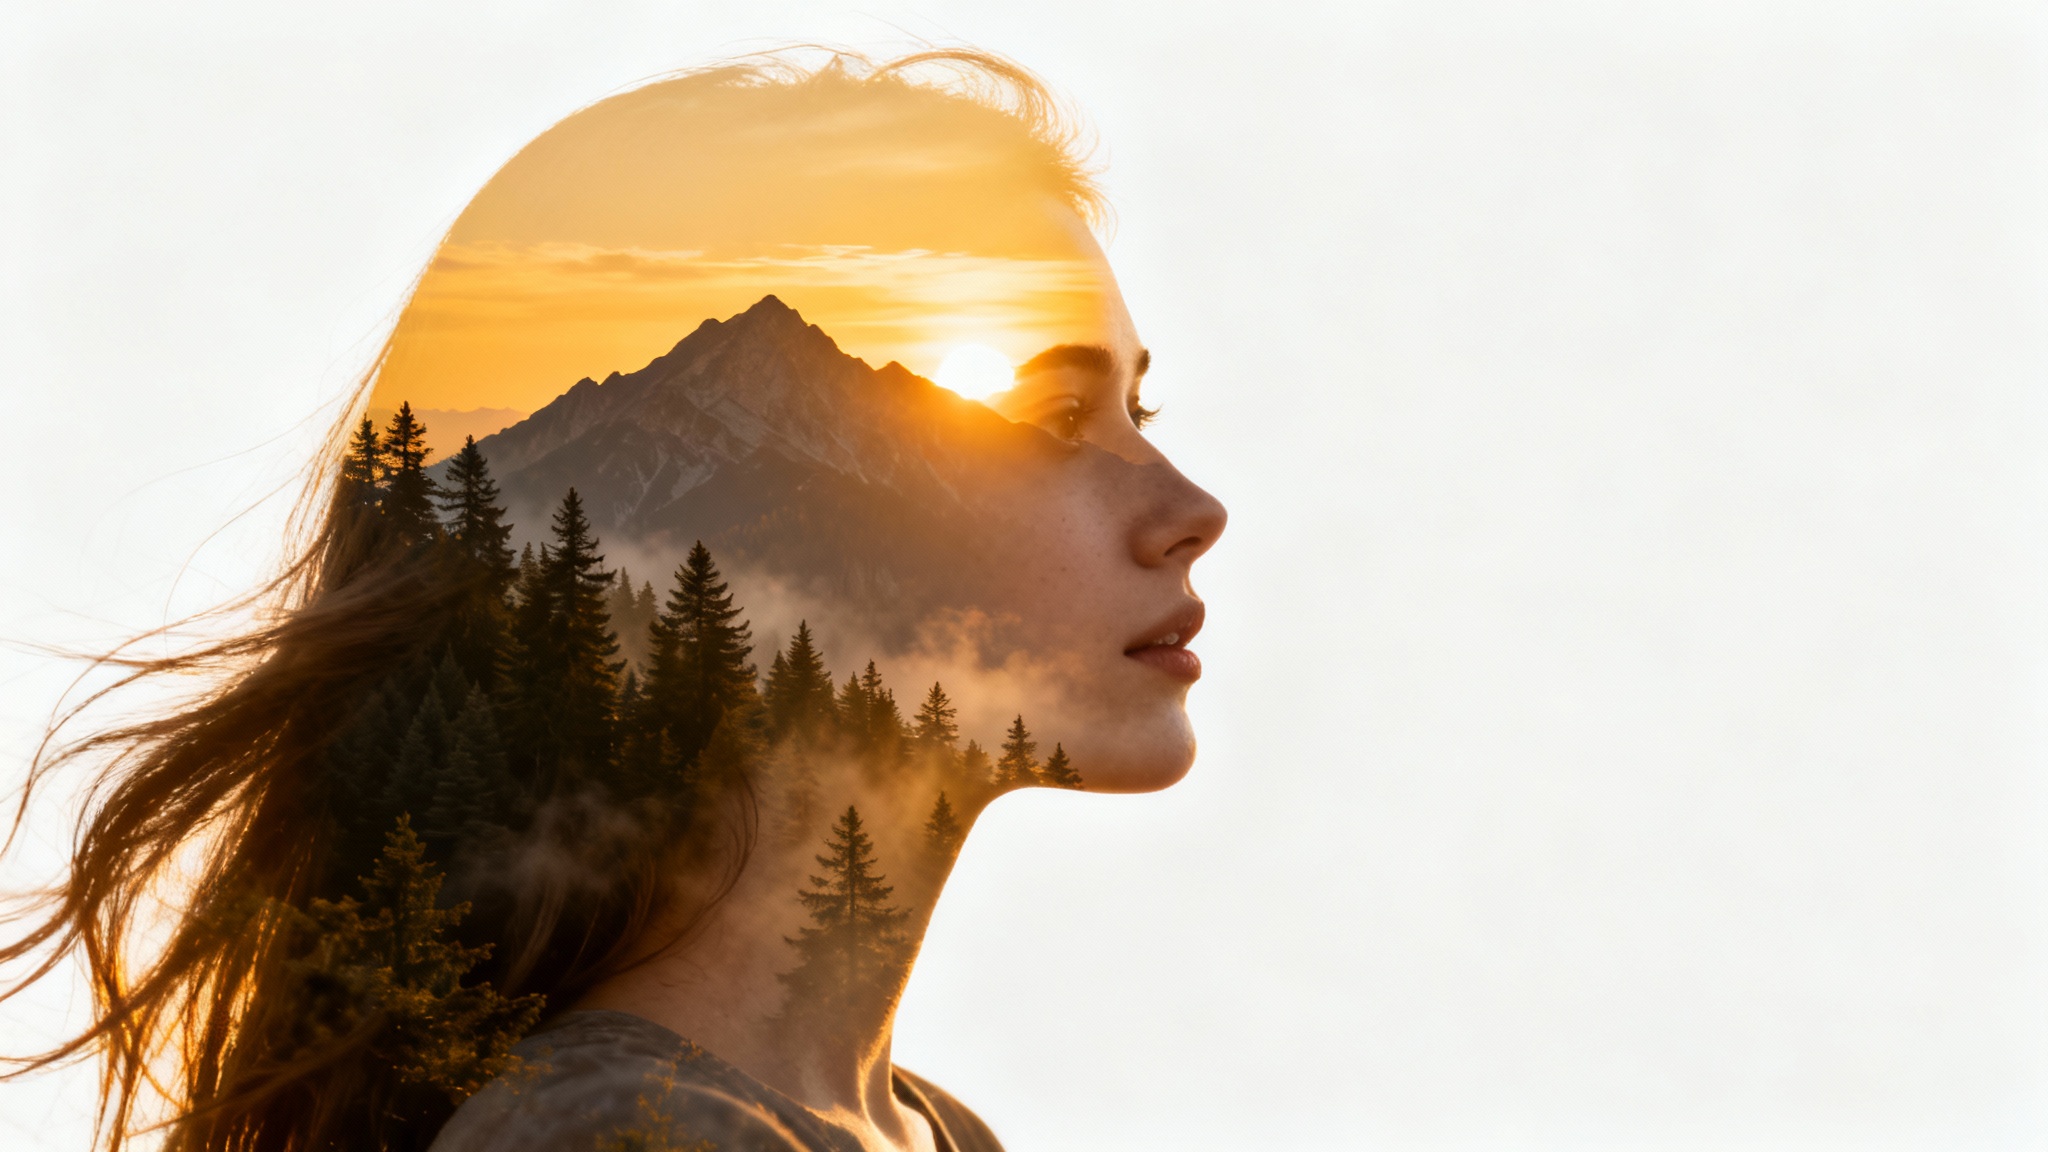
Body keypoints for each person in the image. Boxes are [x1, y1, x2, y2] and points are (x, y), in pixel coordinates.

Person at [0, 50, 1224, 1152]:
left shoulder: (925, 1134)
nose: (1189, 506)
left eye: (1136, 411)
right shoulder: (619, 1139)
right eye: (1055, 417)